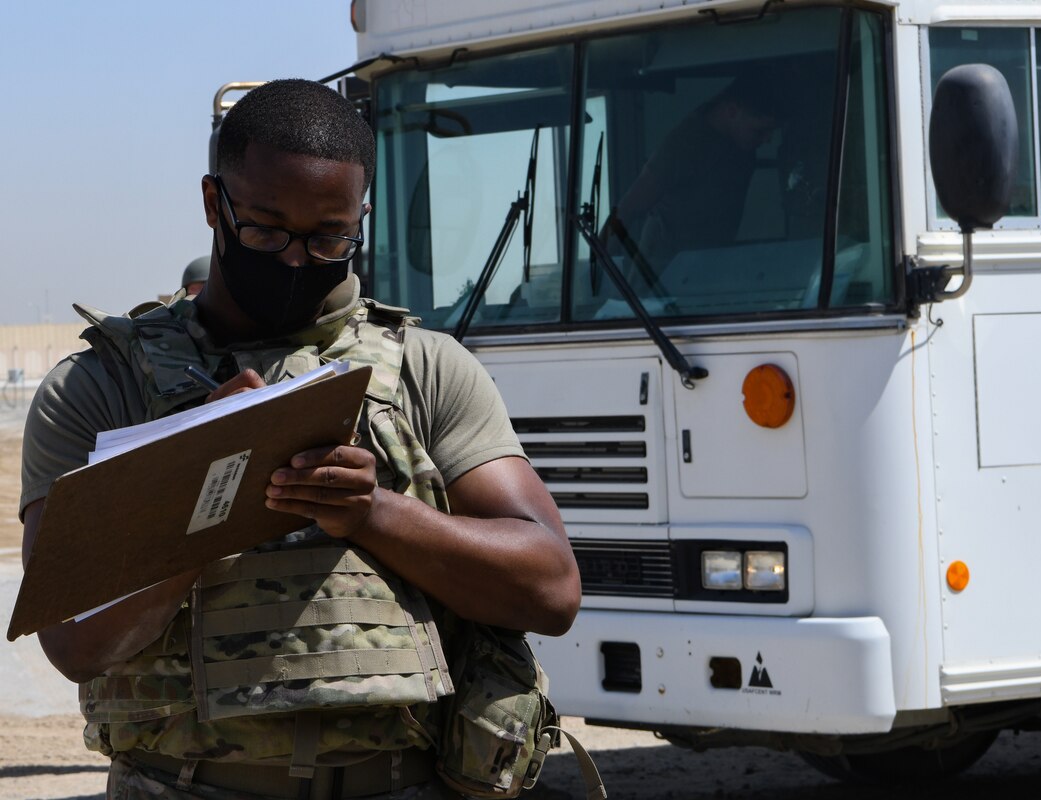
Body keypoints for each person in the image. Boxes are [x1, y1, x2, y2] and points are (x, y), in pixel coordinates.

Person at [20, 79, 581, 800]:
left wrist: (375, 513)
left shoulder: (426, 368)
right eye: (264, 229)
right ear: (213, 204)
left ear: (362, 219)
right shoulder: (99, 386)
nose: (292, 260)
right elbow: (72, 642)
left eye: (327, 238)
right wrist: (199, 492)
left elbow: (551, 588)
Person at [613, 78, 780, 270]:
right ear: (732, 111)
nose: (767, 139)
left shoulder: (743, 144)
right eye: (760, 130)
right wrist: (597, 276)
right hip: (661, 277)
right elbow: (627, 208)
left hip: (710, 268)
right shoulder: (683, 146)